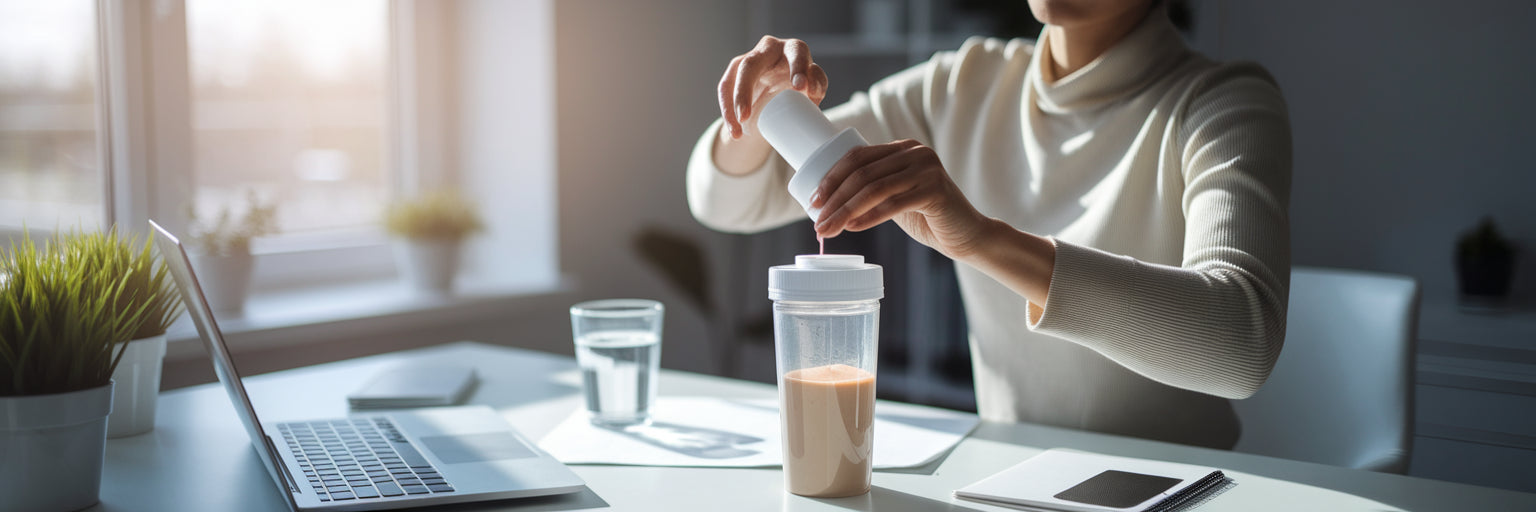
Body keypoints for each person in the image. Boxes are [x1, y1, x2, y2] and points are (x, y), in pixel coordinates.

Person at [686, 0, 1289, 449]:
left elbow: (1241, 346)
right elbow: (730, 201)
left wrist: (978, 238)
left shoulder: (1222, 104)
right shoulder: (962, 86)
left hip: (1180, 486)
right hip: (1009, 480)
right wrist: (761, 109)